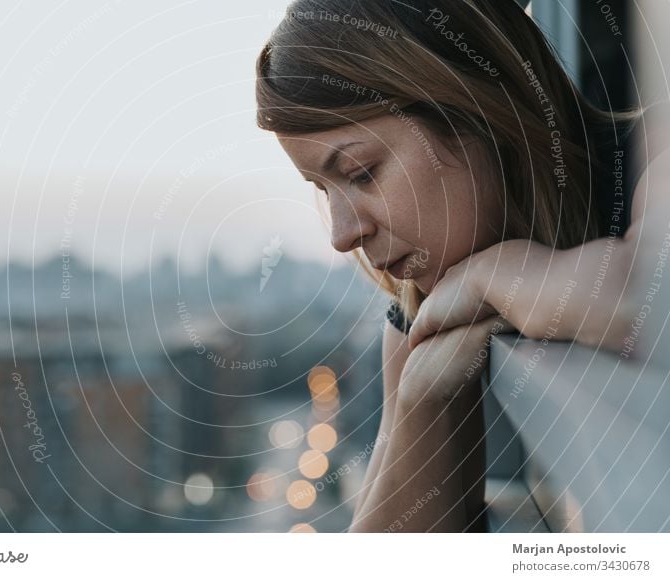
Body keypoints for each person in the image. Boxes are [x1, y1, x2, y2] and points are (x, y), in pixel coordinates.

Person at [255, 0, 670, 532]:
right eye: (323, 189)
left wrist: (488, 277)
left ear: (475, 110)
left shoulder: (648, 160)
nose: (341, 235)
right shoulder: (420, 308)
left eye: (360, 173)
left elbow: (647, 304)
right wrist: (425, 401)